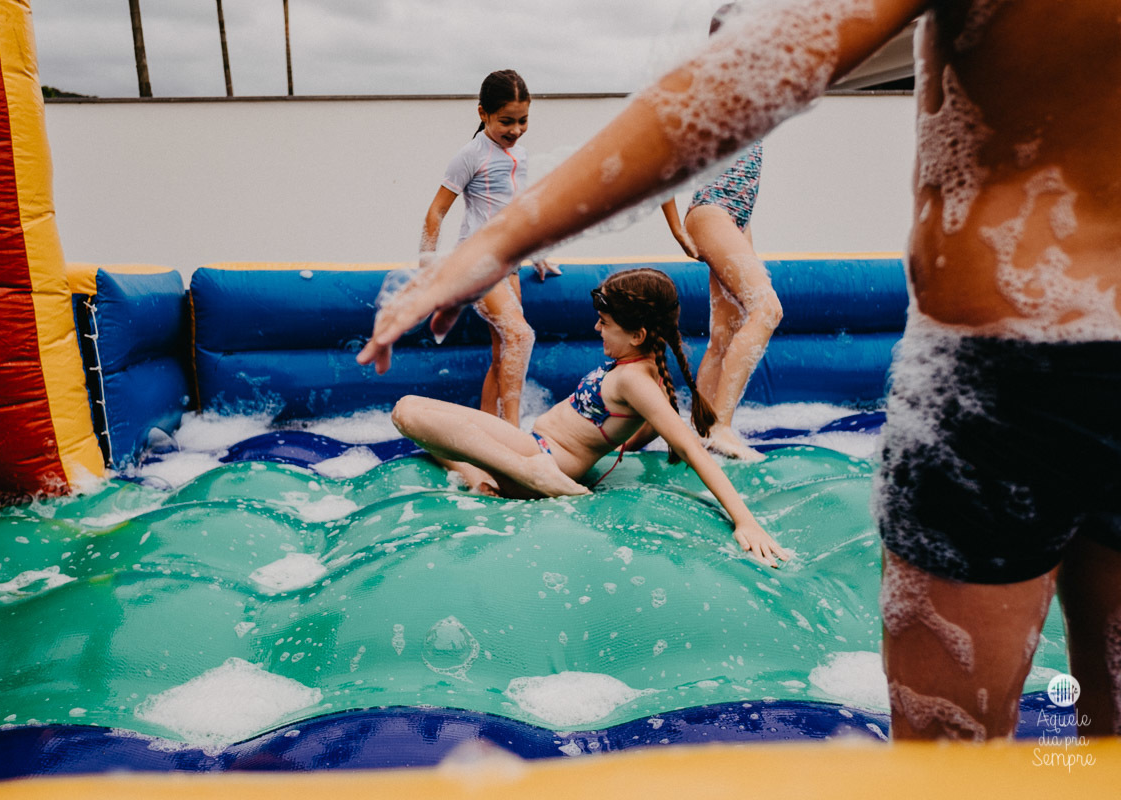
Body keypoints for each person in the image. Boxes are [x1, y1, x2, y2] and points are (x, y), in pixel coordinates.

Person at [360, 0, 1121, 740]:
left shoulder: (634, 379)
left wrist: (487, 246)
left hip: (1005, 372)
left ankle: (628, 445)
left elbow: (730, 87)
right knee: (1105, 733)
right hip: (1047, 358)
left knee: (957, 764)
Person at [392, 268, 789, 568]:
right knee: (435, 434)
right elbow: (642, 429)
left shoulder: (636, 381)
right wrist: (621, 438)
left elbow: (690, 448)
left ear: (638, 334)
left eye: (606, 323)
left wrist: (745, 522)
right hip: (535, 449)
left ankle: (526, 475)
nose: (597, 328)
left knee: (406, 412)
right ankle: (484, 476)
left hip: (540, 459)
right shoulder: (642, 372)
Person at [658, 3, 780, 461]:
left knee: (725, 333)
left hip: (736, 219)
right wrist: (676, 230)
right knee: (766, 309)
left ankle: (692, 438)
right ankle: (723, 428)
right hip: (712, 212)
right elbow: (662, 167)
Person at [417, 69, 558, 426]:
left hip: (508, 263)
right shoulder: (470, 154)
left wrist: (537, 253)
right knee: (521, 336)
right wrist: (427, 268)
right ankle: (512, 431)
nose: (515, 129)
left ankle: (486, 428)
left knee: (503, 353)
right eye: (506, 121)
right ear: (483, 114)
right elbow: (435, 213)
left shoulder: (520, 156)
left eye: (523, 120)